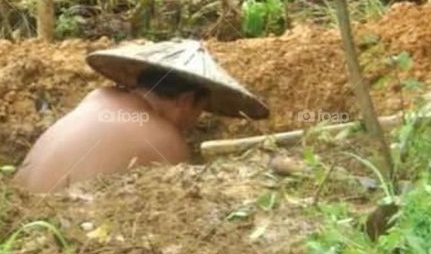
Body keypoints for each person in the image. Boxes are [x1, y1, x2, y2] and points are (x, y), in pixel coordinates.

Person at [14, 39, 268, 194]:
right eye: (200, 110)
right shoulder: (165, 139)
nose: (196, 120)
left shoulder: (99, 97)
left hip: (17, 224)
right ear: (187, 101)